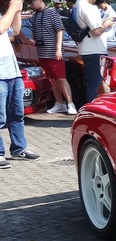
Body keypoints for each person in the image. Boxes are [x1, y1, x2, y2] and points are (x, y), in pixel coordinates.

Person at [1, 0, 40, 169]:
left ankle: (19, 148)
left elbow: (15, 31)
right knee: (0, 117)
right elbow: (1, 28)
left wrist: (17, 9)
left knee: (17, 114)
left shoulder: (3, 15)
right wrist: (12, 7)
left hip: (12, 71)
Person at [30, 0, 77, 114]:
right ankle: (59, 103)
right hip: (42, 52)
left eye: (32, 2)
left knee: (61, 78)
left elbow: (60, 30)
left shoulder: (52, 12)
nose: (31, 5)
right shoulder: (34, 16)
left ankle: (70, 104)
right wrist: (32, 38)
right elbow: (34, 31)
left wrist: (58, 49)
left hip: (53, 52)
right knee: (52, 78)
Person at [76, 0, 115, 102]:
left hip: (87, 49)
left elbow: (88, 26)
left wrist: (103, 21)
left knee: (99, 81)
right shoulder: (88, 8)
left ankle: (105, 105)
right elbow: (96, 31)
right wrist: (107, 24)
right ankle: (93, 107)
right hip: (94, 50)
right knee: (95, 83)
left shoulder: (77, 5)